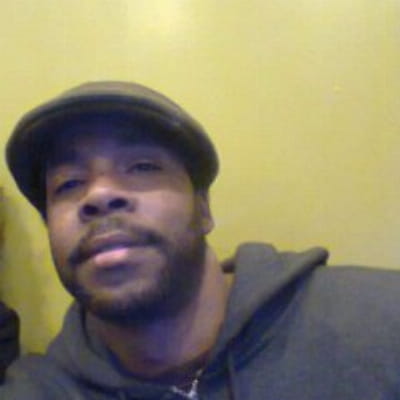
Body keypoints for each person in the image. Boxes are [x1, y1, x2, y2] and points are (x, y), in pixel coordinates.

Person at [2, 81, 400, 400]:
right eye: (69, 184)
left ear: (203, 208)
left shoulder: (381, 321)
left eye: (142, 166)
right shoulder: (37, 391)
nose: (100, 195)